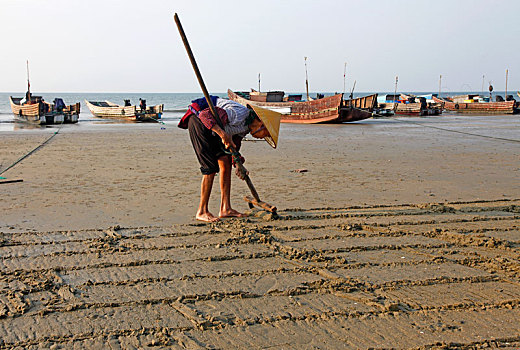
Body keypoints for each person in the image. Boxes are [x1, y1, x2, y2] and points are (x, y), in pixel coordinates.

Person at [179, 97, 280, 222]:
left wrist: (238, 164)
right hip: (199, 123)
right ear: (261, 124)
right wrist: (222, 134)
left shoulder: (246, 127)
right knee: (210, 168)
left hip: (215, 130)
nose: (262, 138)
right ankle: (202, 211)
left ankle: (225, 208)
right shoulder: (238, 114)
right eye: (266, 134)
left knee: (226, 162)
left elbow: (234, 145)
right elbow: (205, 115)